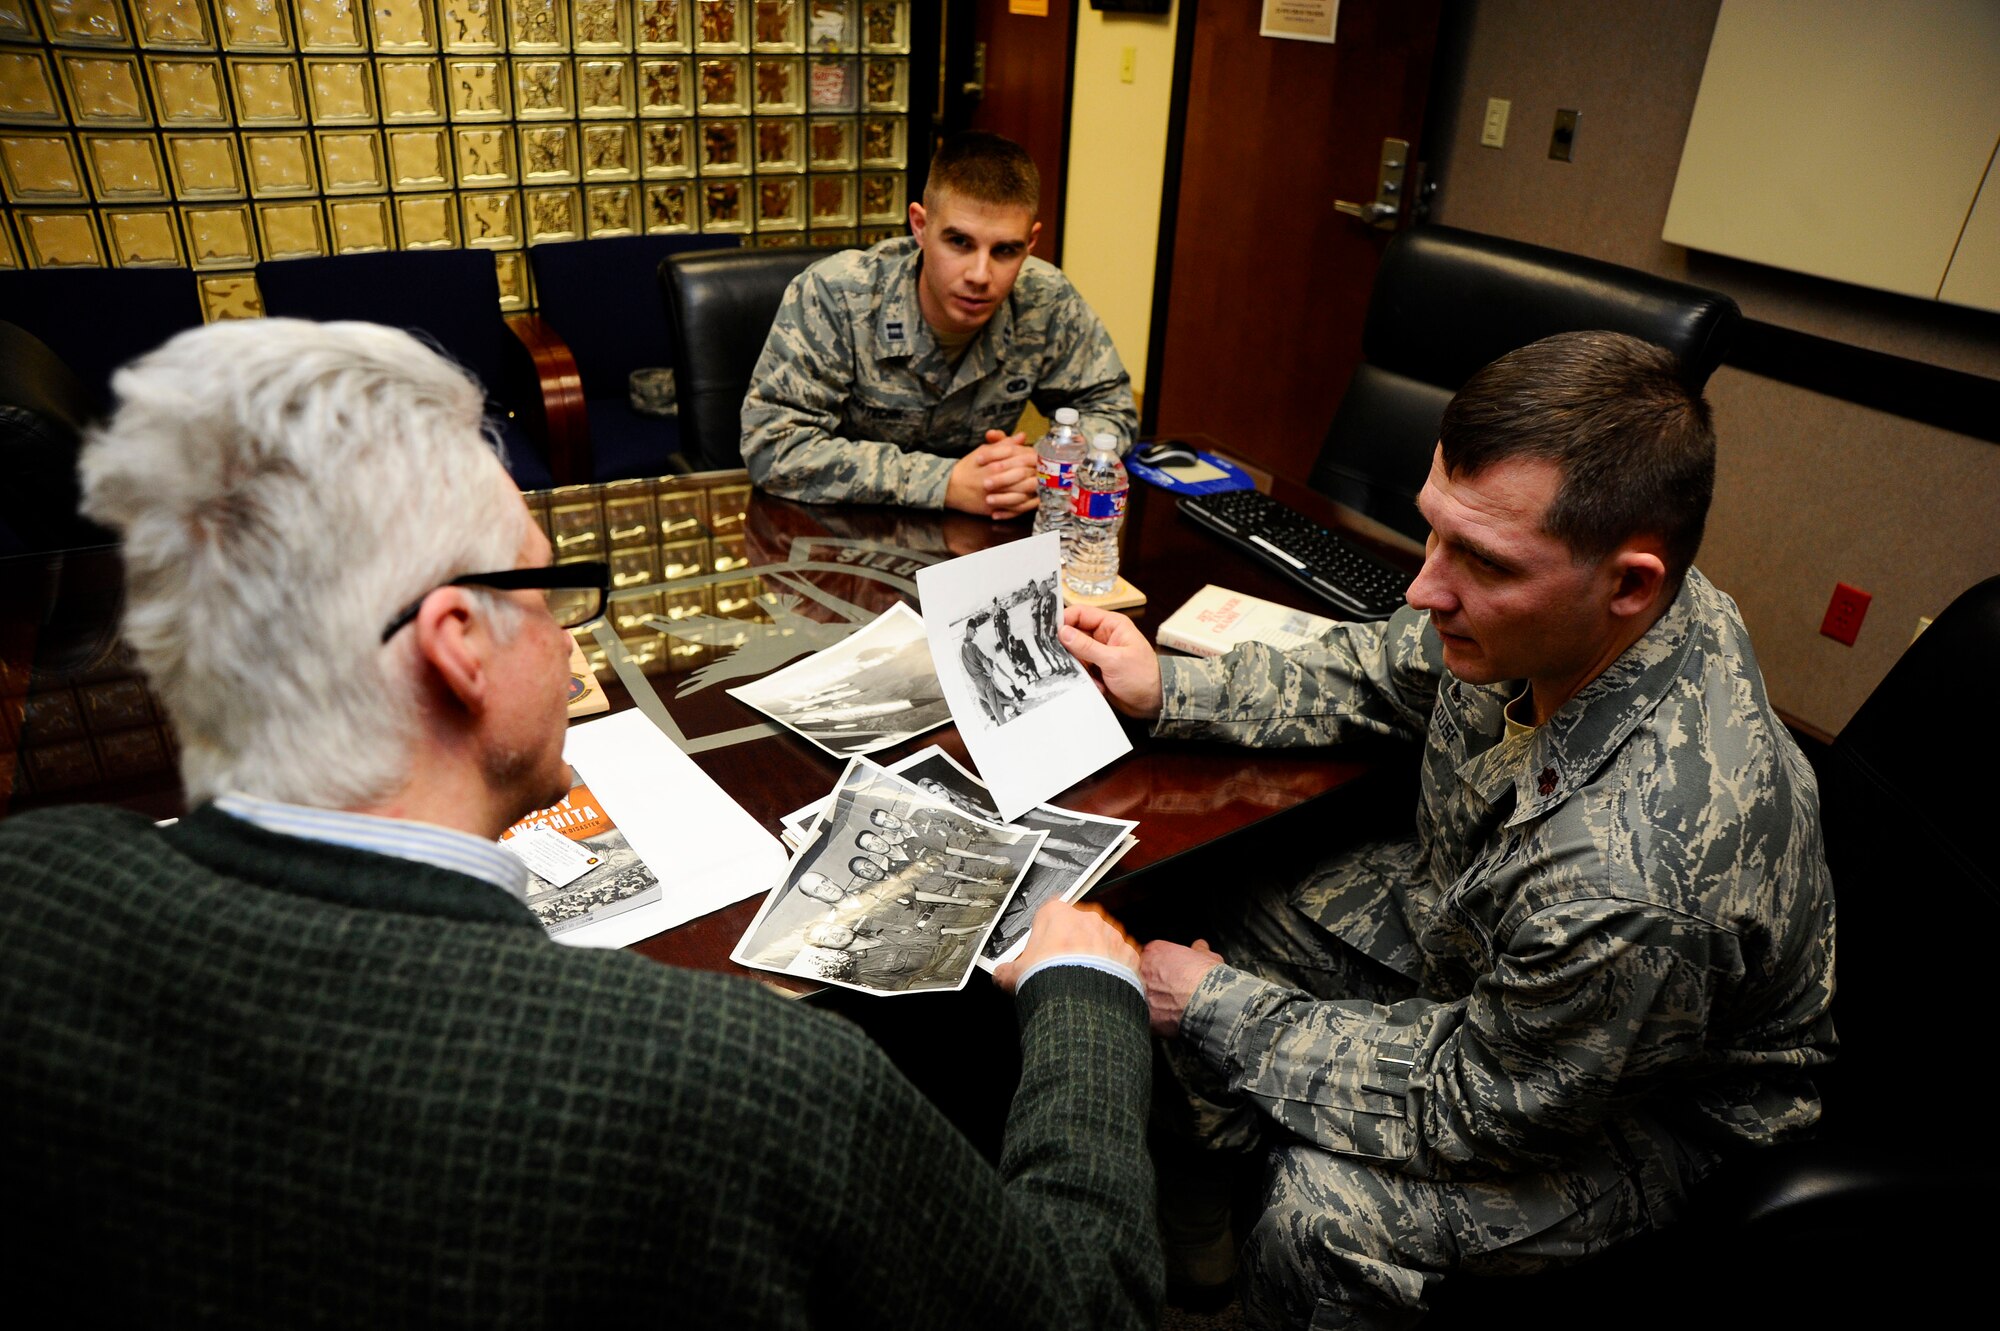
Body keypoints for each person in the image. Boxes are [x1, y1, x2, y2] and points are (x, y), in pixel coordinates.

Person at [0, 319, 1162, 1327]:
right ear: (457, 645)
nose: (571, 642)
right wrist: (1088, 1004)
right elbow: (1076, 1303)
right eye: (551, 591)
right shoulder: (749, 1082)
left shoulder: (28, 888)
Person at [1057, 331, 1835, 1328]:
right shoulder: (1570, 610)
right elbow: (1382, 667)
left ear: (1631, 582)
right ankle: (1200, 1243)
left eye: (1480, 559)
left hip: (1642, 1111)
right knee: (1209, 910)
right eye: (1433, 532)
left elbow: (1474, 1102)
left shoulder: (1634, 867)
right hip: (1491, 951)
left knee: (1319, 1214)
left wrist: (1217, 1008)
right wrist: (1171, 686)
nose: (1425, 586)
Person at [741, 130, 1136, 519]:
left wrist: (1040, 464)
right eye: (960, 242)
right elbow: (773, 444)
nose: (980, 275)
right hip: (842, 535)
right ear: (920, 226)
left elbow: (1112, 409)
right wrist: (942, 482)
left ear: (1030, 244)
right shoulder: (837, 295)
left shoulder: (1045, 298)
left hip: (981, 539)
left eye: (1005, 250)